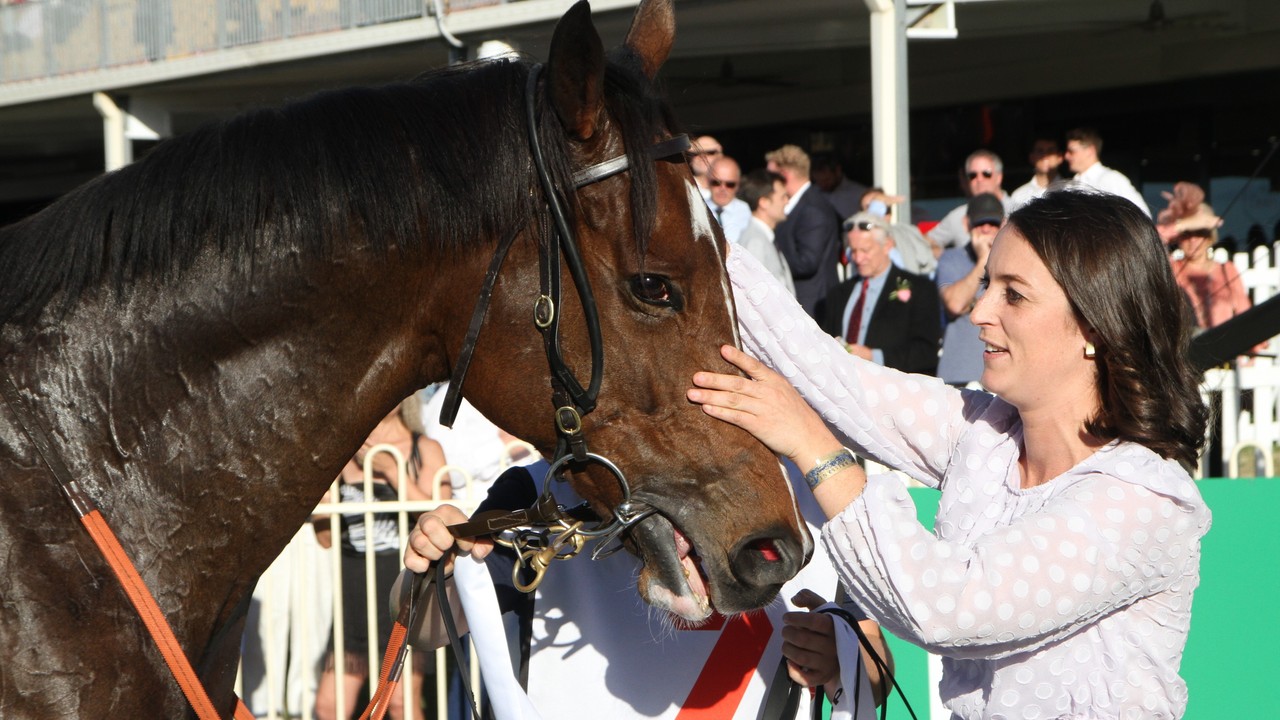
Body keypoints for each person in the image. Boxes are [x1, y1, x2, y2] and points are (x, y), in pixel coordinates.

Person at [688, 189, 1212, 719]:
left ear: (1095, 325)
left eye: (1015, 295)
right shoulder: (987, 433)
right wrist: (691, 225)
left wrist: (813, 446)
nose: (980, 311)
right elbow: (833, 379)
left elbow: (947, 607)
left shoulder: (1143, 499)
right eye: (987, 284)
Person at [402, 461, 894, 719]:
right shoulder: (537, 490)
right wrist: (433, 564)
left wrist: (839, 654)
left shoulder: (811, 502)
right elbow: (425, 626)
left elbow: (876, 668)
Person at [313, 397, 449, 720]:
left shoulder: (424, 448)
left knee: (401, 704)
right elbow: (326, 539)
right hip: (355, 599)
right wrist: (320, 497)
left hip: (404, 592)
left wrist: (392, 472)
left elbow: (442, 520)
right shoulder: (345, 452)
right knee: (329, 707)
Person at [817, 212, 941, 375]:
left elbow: (926, 352)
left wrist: (873, 356)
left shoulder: (920, 289)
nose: (858, 258)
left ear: (887, 245)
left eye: (865, 250)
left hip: (894, 388)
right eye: (853, 251)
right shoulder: (839, 293)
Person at [766, 144, 844, 318]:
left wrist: (766, 257)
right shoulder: (800, 205)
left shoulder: (813, 208)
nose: (767, 183)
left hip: (811, 305)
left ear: (785, 175)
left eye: (770, 176)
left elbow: (806, 263)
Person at [935, 193, 1003, 387]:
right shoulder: (951, 258)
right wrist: (984, 259)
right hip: (958, 374)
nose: (986, 229)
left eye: (993, 224)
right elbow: (955, 304)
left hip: (1001, 375)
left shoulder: (1013, 260)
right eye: (980, 224)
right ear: (967, 225)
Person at [1166, 197, 1253, 331]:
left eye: (1200, 233)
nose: (1193, 240)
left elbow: (1245, 317)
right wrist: (1180, 224)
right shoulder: (1170, 269)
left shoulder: (1226, 270)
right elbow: (1149, 242)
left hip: (1226, 349)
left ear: (1211, 237)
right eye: (1187, 233)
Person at [926, 150, 1017, 257]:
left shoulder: (1018, 211)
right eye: (972, 175)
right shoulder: (958, 216)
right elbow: (924, 244)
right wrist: (950, 258)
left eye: (986, 174)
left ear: (999, 177)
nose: (979, 179)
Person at [1064, 127, 1150, 217]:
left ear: (1090, 151)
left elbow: (1142, 215)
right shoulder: (1069, 185)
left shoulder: (1112, 179)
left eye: (1071, 151)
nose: (1066, 156)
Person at [736, 169, 796, 295]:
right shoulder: (755, 241)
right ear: (764, 203)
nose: (787, 201)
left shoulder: (763, 237)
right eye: (782, 197)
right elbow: (757, 294)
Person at [707, 155, 752, 244]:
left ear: (738, 185)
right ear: (708, 182)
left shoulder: (746, 212)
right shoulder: (697, 208)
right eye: (716, 183)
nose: (722, 188)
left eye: (730, 184)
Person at [811, 153, 869, 222]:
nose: (822, 185)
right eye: (818, 181)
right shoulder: (812, 193)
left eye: (826, 180)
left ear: (838, 171)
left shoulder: (860, 194)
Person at [1008, 137, 1063, 209]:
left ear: (1060, 157)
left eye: (1050, 151)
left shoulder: (1070, 190)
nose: (1045, 156)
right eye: (1040, 151)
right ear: (1032, 157)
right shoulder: (1019, 195)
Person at [688, 135, 723, 201]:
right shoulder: (683, 188)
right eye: (696, 153)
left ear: (720, 156)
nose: (702, 157)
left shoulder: (731, 187)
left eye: (709, 152)